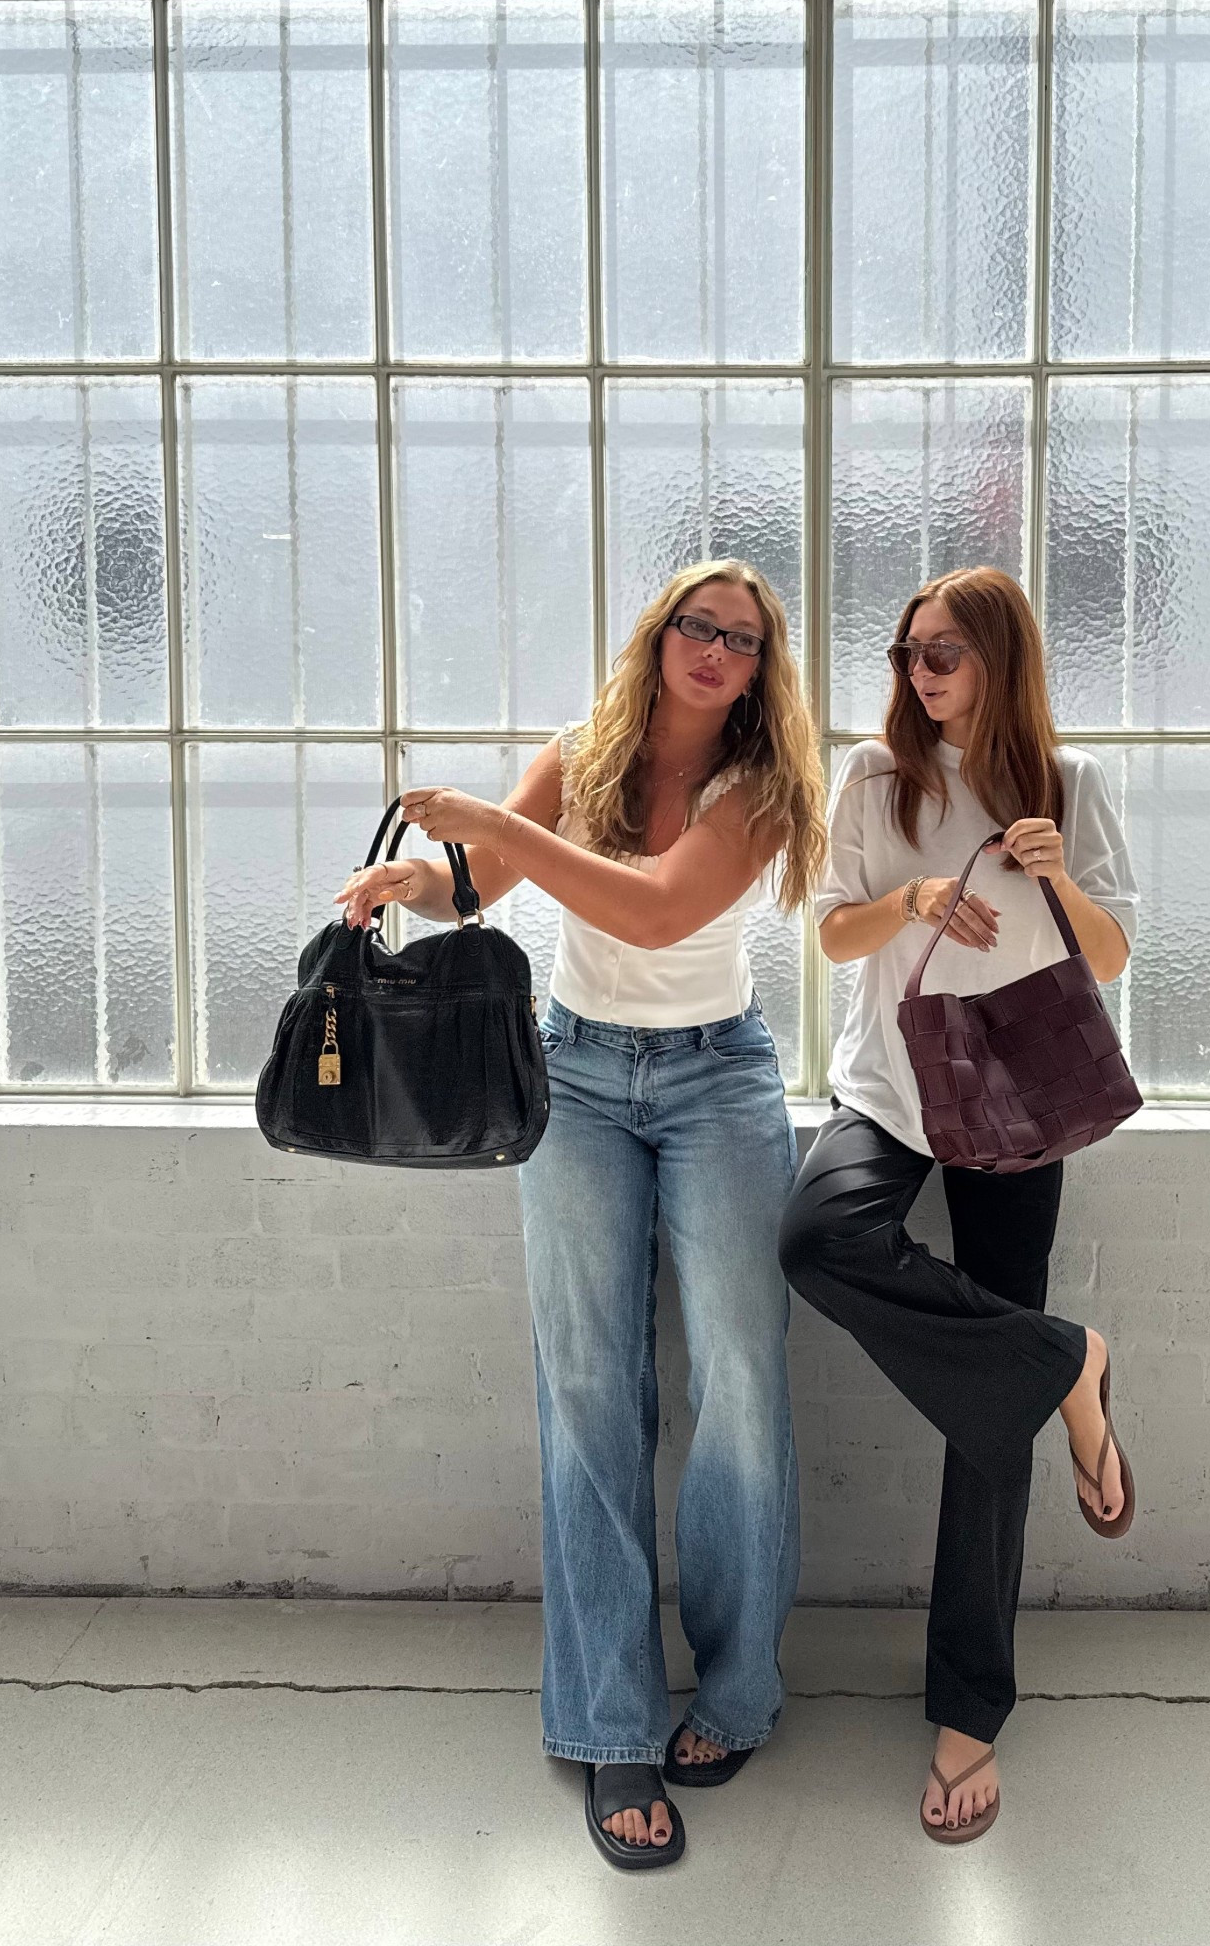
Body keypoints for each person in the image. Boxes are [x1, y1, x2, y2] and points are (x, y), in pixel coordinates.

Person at [334, 559, 825, 1871]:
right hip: (579, 1073)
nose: (714, 648)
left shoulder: (760, 788)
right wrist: (412, 886)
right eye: (696, 625)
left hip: (717, 1079)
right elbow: (477, 887)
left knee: (740, 1381)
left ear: (761, 669)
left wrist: (497, 831)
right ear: (660, 635)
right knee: (588, 1390)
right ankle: (612, 1722)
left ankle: (735, 1692)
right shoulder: (581, 754)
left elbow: (654, 911)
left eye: (742, 638)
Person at [777, 565, 1139, 1846]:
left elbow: (1110, 955)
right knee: (816, 1237)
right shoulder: (874, 777)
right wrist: (915, 899)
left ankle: (968, 1706)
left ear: (997, 655)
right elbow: (830, 936)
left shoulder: (1067, 782)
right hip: (888, 1090)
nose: (919, 672)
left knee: (985, 1429)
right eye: (907, 651)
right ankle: (1064, 1361)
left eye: (942, 651)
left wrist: (1055, 876)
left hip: (1020, 1102)